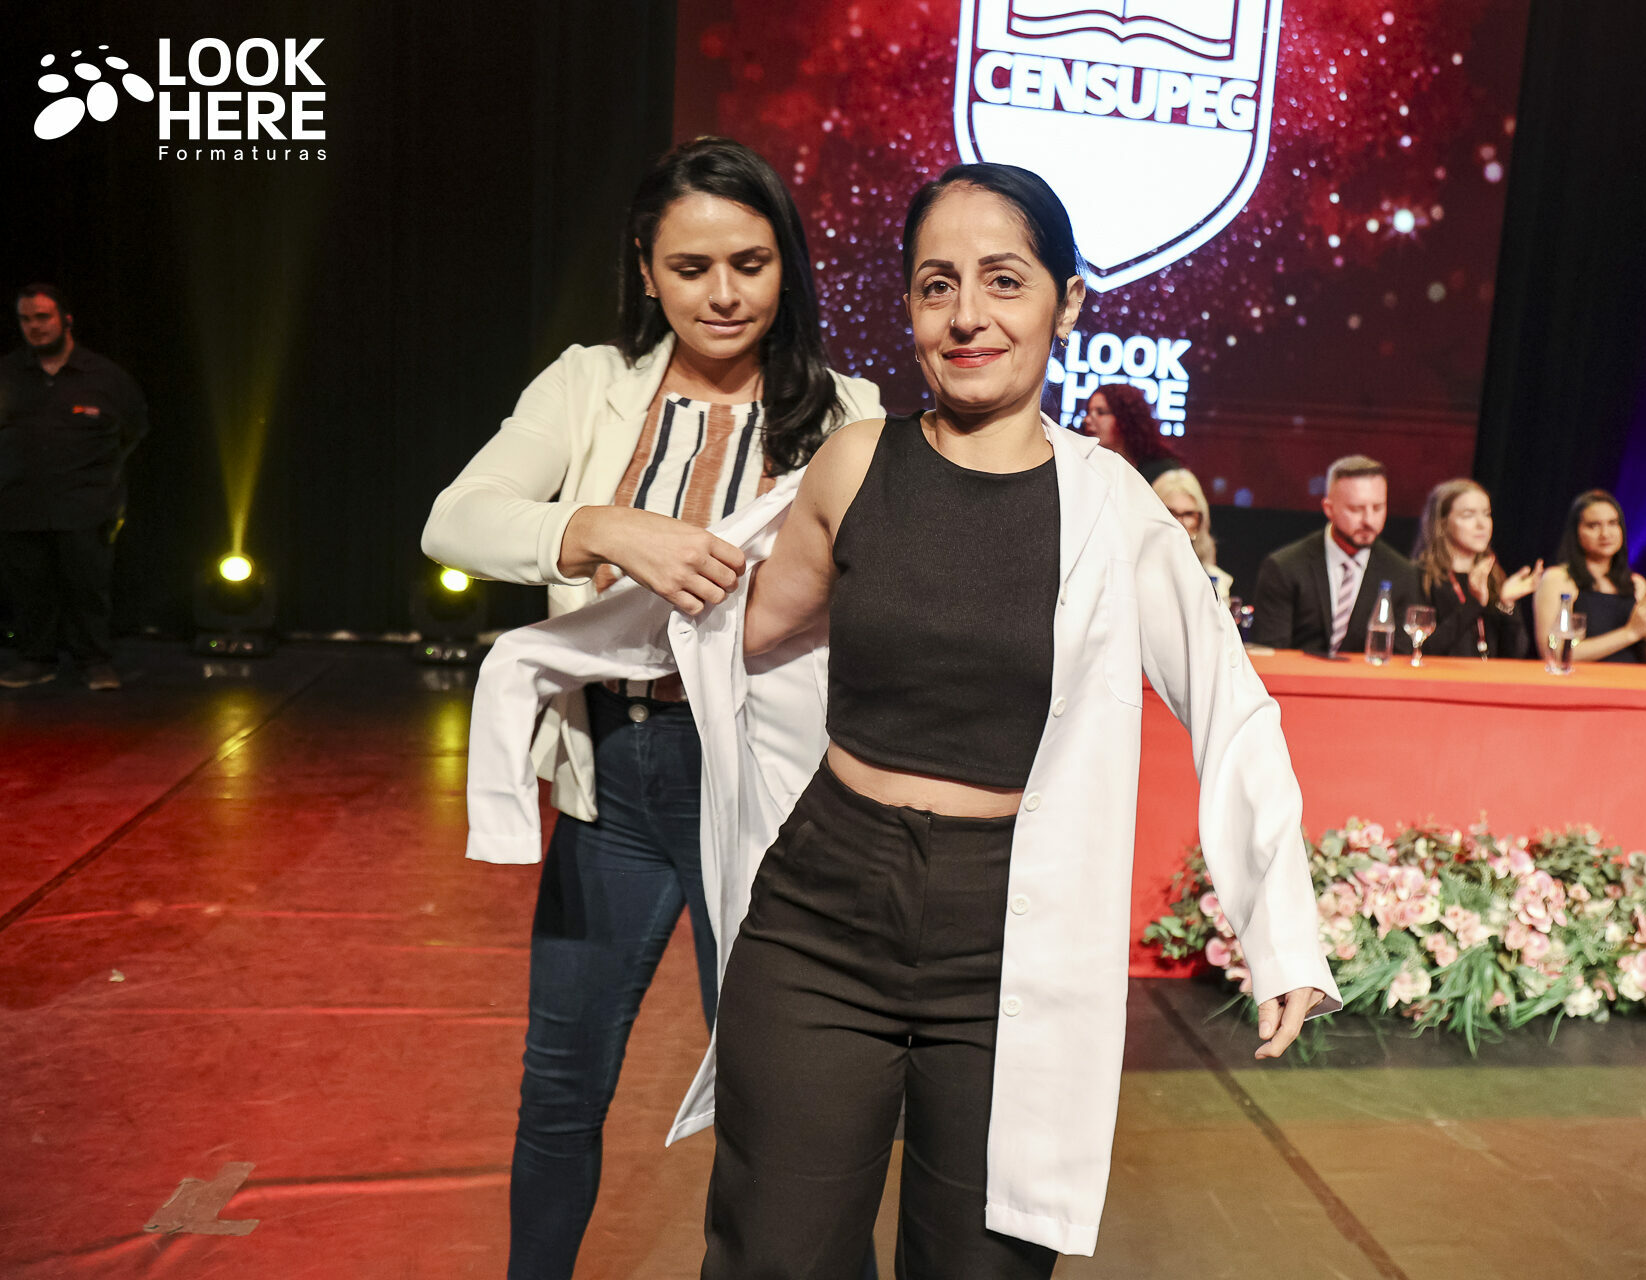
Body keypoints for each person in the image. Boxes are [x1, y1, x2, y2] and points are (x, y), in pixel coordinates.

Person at [705, 162, 1337, 1276]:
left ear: (1068, 300)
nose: (967, 316)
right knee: (776, 1254)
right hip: (823, 914)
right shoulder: (854, 465)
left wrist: (1278, 927)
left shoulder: (1112, 508)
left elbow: (1230, 705)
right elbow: (730, 639)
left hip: (1013, 940)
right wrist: (601, 555)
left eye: (1004, 280)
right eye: (936, 285)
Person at [421, 137, 883, 1280]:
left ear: (788, 266)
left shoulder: (848, 411)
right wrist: (599, 526)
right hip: (614, 781)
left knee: (774, 1099)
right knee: (561, 1085)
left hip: (765, 792)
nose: (723, 294)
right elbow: (455, 518)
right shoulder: (591, 384)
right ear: (644, 268)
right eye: (690, 267)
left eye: (750, 264)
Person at [0, 284, 148, 691]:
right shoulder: (7, 373)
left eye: (42, 317)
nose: (34, 326)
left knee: (88, 587)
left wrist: (98, 475)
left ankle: (95, 661)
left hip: (85, 502)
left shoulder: (105, 377)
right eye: (25, 319)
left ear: (66, 319)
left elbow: (135, 428)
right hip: (19, 502)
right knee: (29, 588)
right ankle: (35, 659)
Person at [1248, 455, 1418, 654]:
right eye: (1356, 509)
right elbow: (1270, 654)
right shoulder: (1284, 567)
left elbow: (1401, 657)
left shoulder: (1402, 573)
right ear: (1329, 509)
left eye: (1378, 508)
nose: (1369, 520)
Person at [1533, 489, 1646, 665]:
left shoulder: (1636, 583)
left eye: (1613, 523)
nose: (1605, 534)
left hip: (1631, 679)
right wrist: (1630, 633)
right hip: (1581, 680)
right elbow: (1553, 652)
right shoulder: (1558, 579)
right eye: (1593, 526)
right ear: (1576, 532)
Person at [1410, 478, 1540, 658]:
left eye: (1486, 514)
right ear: (1442, 522)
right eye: (1468, 515)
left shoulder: (1493, 576)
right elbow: (1422, 649)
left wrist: (1507, 604)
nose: (1482, 524)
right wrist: (1473, 604)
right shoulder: (1421, 577)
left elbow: (1515, 654)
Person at [1151, 467, 1232, 601]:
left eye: (1188, 514)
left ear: (1201, 521)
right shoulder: (1133, 572)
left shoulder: (1217, 581)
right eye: (1170, 513)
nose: (1180, 523)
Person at [1078, 381, 1181, 483]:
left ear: (1125, 419)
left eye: (1101, 412)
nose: (1087, 420)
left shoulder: (1162, 474)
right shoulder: (1082, 465)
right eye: (1088, 412)